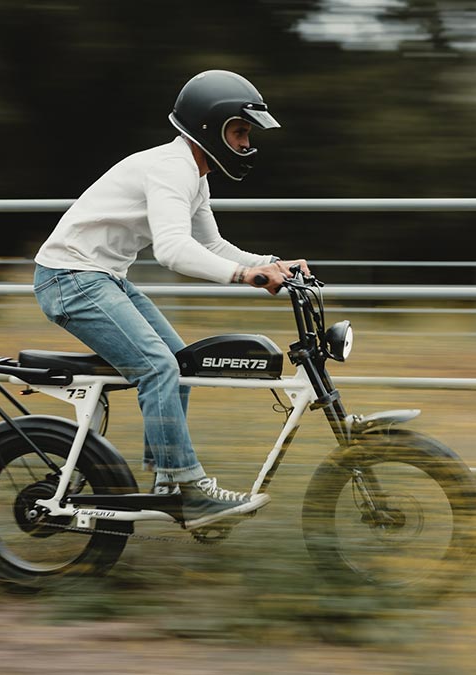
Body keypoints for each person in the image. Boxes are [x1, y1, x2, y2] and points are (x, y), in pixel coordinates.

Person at [32, 70, 308, 525]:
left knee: (180, 362)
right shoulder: (171, 169)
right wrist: (247, 277)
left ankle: (165, 483)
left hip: (100, 277)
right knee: (157, 367)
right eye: (239, 131)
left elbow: (212, 245)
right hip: (70, 278)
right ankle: (187, 486)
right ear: (210, 128)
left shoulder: (194, 175)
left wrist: (273, 262)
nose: (245, 143)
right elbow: (173, 251)